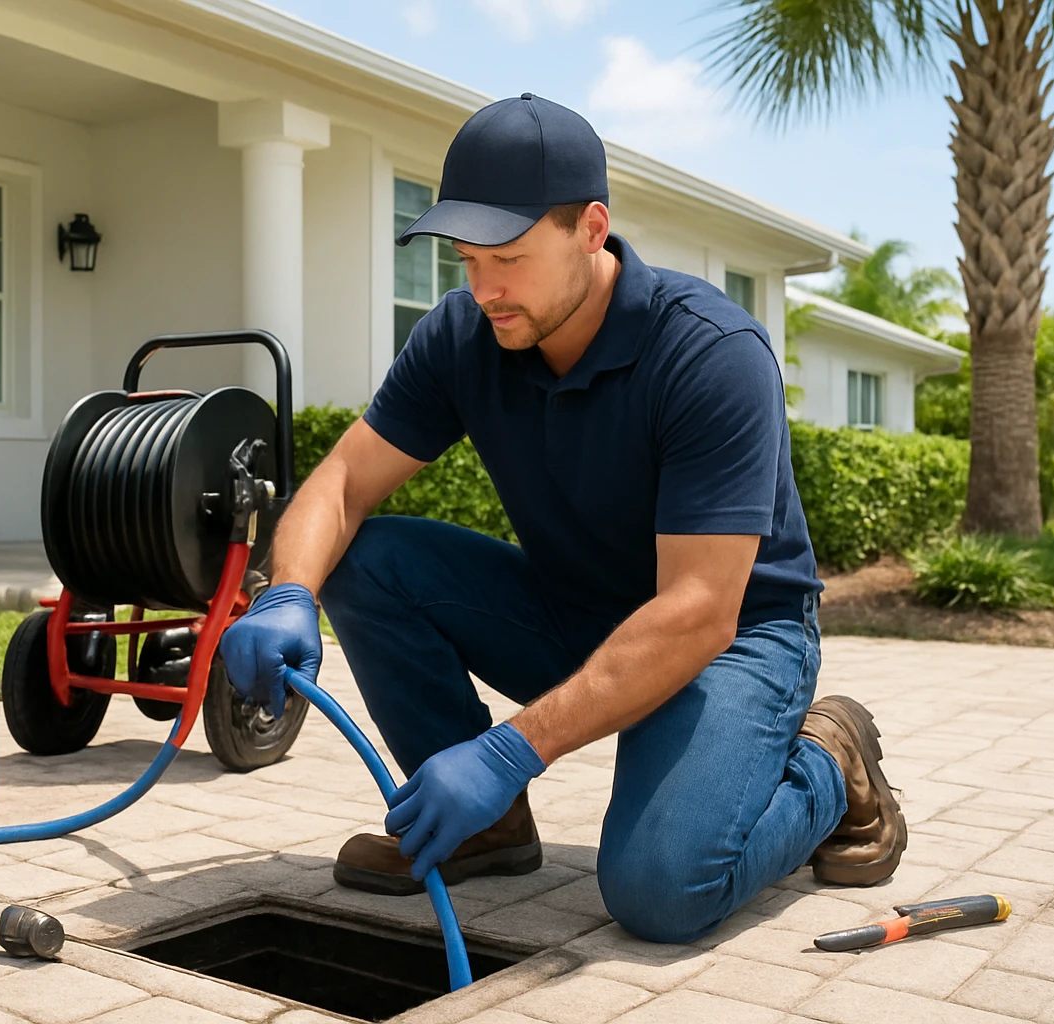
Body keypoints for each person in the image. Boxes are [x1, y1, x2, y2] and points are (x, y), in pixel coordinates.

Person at [219, 93, 904, 943]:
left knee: (661, 889)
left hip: (732, 640)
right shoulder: (465, 334)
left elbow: (697, 610)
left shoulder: (710, 355)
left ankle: (829, 762)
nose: (483, 288)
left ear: (590, 229)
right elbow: (343, 485)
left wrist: (510, 751)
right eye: (466, 259)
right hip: (575, 608)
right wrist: (287, 593)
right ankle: (484, 828)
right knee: (361, 556)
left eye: (507, 256)